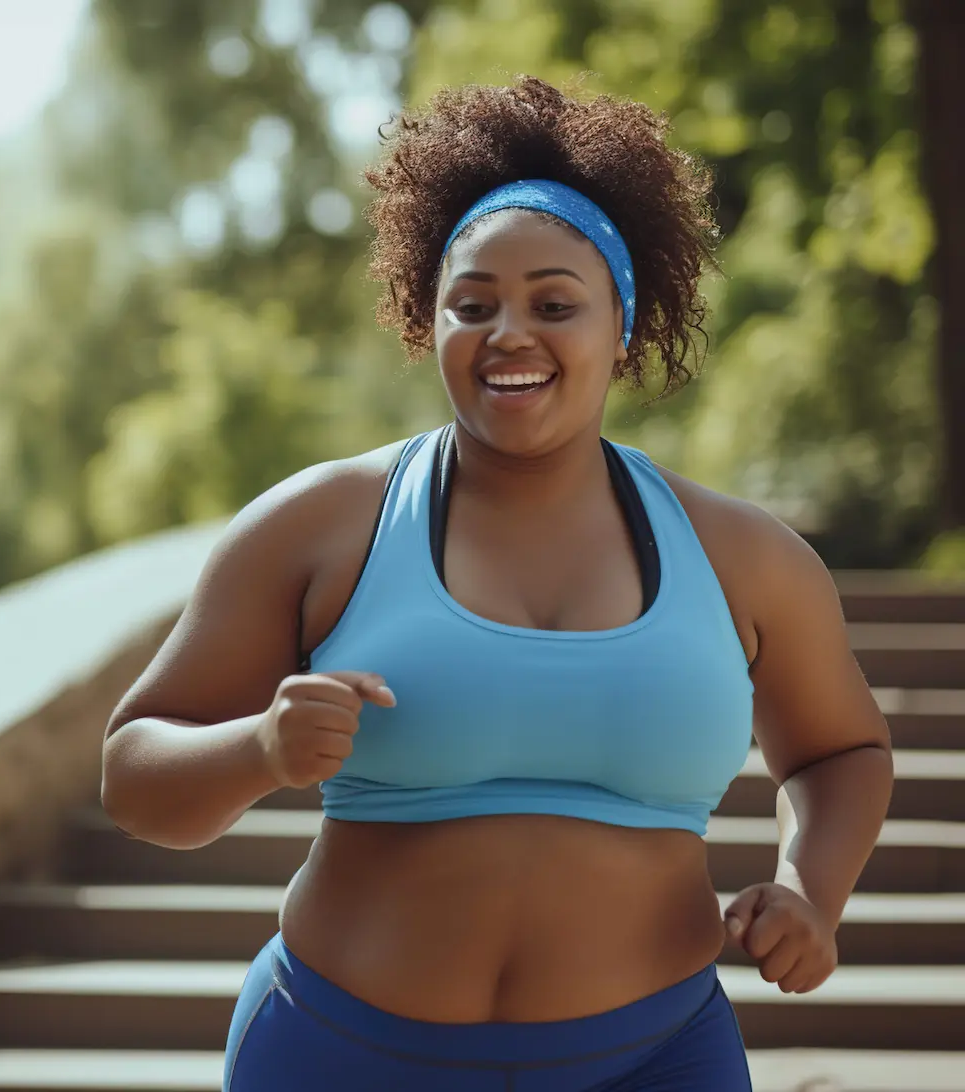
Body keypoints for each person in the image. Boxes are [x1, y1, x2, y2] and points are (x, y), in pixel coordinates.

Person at [99, 76, 896, 1091]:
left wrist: (807, 893)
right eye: (469, 304)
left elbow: (840, 751)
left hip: (650, 1061)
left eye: (552, 303)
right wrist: (258, 748)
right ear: (425, 321)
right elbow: (132, 778)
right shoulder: (318, 528)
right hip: (339, 1057)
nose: (506, 332)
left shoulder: (743, 558)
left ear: (621, 323)